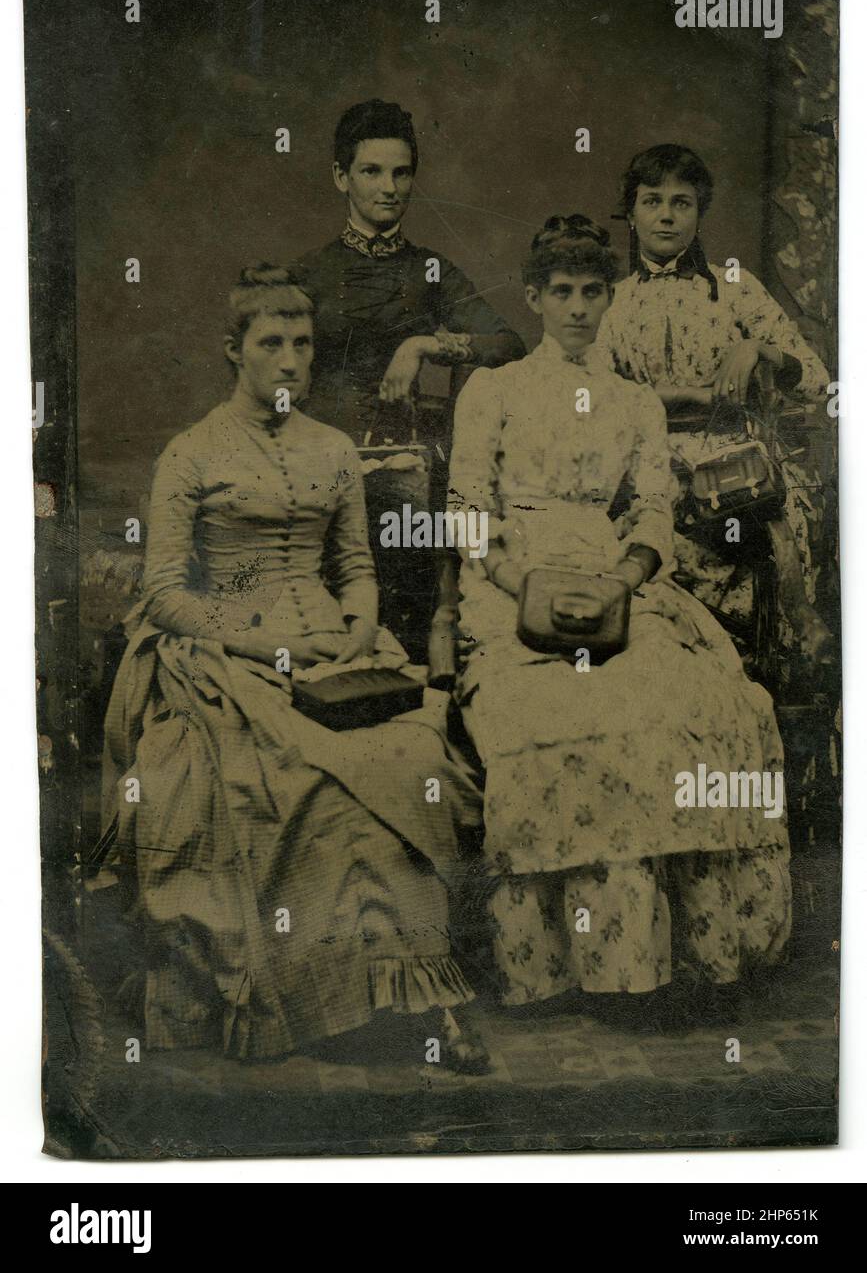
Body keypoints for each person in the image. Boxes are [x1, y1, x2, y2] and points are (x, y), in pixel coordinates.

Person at [99, 264, 488, 1069]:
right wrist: (260, 639)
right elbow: (167, 594)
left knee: (410, 756)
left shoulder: (334, 448)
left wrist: (360, 633)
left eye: (302, 345)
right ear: (232, 352)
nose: (289, 361)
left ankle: (421, 992)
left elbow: (356, 570)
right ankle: (337, 1001)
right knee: (304, 785)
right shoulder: (192, 453)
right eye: (270, 343)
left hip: (339, 655)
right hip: (227, 653)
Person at [447, 216, 791, 1008]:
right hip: (513, 588)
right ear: (534, 297)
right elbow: (464, 510)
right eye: (560, 292)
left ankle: (674, 966)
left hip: (614, 585)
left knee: (698, 703)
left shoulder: (636, 402)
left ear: (610, 298)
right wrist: (518, 582)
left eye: (591, 292)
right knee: (557, 708)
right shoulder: (493, 391)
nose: (576, 308)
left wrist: (628, 580)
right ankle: (567, 969)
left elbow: (653, 512)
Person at [594, 144, 832, 663]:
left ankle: (771, 666)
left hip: (738, 460)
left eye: (682, 202)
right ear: (631, 214)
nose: (665, 214)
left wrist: (758, 348)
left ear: (699, 213)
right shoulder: (610, 303)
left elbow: (815, 380)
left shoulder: (735, 287)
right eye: (652, 200)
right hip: (647, 462)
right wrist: (684, 397)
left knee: (773, 521)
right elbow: (591, 399)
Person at [299, 98, 524, 441]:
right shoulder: (307, 272)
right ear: (341, 177)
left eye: (401, 173)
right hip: (315, 456)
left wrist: (419, 346)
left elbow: (509, 346)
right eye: (371, 171)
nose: (389, 188)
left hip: (401, 455)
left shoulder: (430, 269)